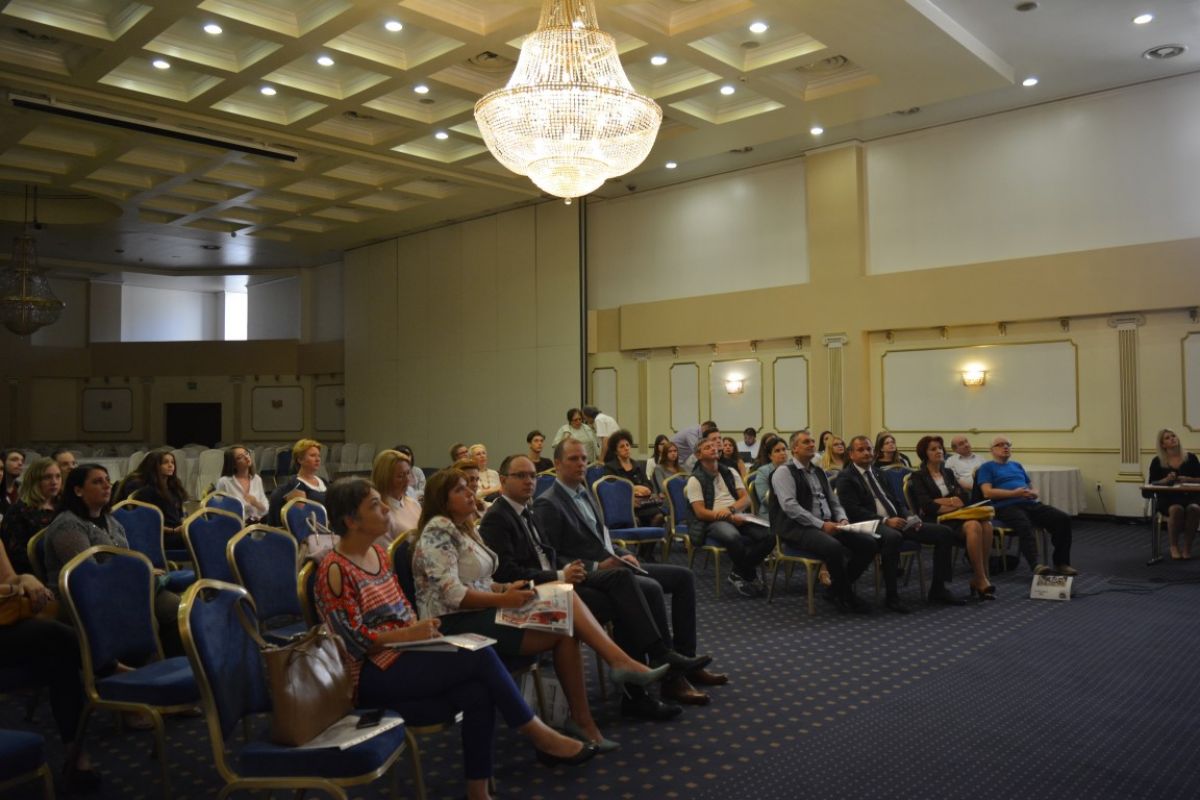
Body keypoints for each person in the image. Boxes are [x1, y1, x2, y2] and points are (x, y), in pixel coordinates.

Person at [315, 479, 596, 800]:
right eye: (374, 506)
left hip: (405, 652)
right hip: (369, 673)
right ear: (351, 521)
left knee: (477, 691)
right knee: (478, 654)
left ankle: (478, 791)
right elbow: (350, 643)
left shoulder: (378, 554)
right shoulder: (334, 570)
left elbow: (402, 609)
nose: (385, 511)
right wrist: (407, 634)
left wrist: (420, 632)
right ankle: (539, 735)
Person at [412, 467, 668, 750]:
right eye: (460, 490)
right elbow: (453, 595)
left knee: (565, 615)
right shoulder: (438, 530)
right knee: (567, 608)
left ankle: (585, 719)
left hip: (482, 608)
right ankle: (615, 669)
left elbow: (481, 580)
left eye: (468, 487)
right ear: (443, 500)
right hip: (453, 623)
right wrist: (503, 599)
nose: (470, 493)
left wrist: (503, 589)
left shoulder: (463, 528)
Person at [480, 455, 696, 722]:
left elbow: (563, 549)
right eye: (521, 476)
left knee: (623, 582)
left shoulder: (528, 510)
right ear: (502, 481)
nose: (529, 481)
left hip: (560, 580)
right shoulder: (499, 517)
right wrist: (562, 574)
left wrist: (580, 568)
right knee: (625, 599)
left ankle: (651, 670)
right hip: (535, 593)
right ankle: (641, 685)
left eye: (532, 476)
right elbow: (508, 574)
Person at [535, 438, 726, 707]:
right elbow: (553, 556)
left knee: (683, 578)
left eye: (584, 459)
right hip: (588, 576)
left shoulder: (584, 491)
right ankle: (670, 675)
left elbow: (601, 538)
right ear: (557, 464)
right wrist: (597, 566)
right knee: (650, 588)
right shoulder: (548, 503)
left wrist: (620, 553)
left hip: (613, 564)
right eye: (573, 459)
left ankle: (685, 662)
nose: (581, 464)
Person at [43, 464, 183, 657]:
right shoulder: (68, 525)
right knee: (145, 617)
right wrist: (137, 576)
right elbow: (88, 576)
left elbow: (125, 558)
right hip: (82, 598)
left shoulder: (110, 520)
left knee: (176, 607)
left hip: (121, 588)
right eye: (97, 482)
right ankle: (144, 669)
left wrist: (142, 572)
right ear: (78, 490)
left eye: (107, 480)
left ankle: (176, 665)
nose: (107, 486)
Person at [0, 537, 101, 793]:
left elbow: (10, 578)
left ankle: (75, 755)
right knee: (57, 636)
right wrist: (10, 590)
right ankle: (107, 668)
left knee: (59, 656)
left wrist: (25, 579)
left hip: (5, 622)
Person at [769, 430, 877, 614]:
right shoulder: (783, 472)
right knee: (833, 547)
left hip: (827, 524)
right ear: (794, 448)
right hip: (798, 528)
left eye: (812, 441)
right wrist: (821, 525)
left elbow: (833, 501)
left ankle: (835, 590)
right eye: (806, 442)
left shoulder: (818, 471)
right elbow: (790, 507)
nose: (812, 444)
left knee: (869, 544)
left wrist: (842, 518)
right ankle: (846, 595)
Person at [910, 435, 995, 599]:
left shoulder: (948, 473)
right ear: (924, 454)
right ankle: (980, 579)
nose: (939, 451)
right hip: (935, 521)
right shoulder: (918, 476)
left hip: (956, 517)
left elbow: (963, 498)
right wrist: (950, 501)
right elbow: (927, 505)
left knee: (986, 525)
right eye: (933, 449)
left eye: (940, 448)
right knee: (974, 525)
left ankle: (981, 576)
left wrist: (942, 501)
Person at [686, 438, 773, 597]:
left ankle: (738, 573)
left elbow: (746, 499)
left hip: (736, 513)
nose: (714, 448)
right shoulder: (695, 479)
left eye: (714, 446)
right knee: (733, 537)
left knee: (769, 535)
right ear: (698, 455)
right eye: (708, 447)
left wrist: (731, 510)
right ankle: (749, 574)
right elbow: (700, 512)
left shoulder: (730, 472)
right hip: (713, 520)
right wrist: (728, 517)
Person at [977, 436, 1076, 575]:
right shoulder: (986, 467)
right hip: (1005, 506)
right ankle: (1036, 565)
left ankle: (1061, 563)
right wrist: (1014, 493)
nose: (1005, 447)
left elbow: (1030, 487)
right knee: (1024, 524)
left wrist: (1034, 493)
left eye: (1008, 444)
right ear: (992, 450)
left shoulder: (1016, 465)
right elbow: (987, 492)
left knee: (1062, 519)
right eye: (1000, 445)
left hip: (1029, 503)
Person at [0, 457, 61, 574]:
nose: (54, 482)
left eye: (58, 476)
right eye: (47, 477)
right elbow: (16, 555)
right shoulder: (19, 511)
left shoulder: (63, 506)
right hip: (34, 573)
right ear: (34, 481)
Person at [1147, 428, 1200, 559]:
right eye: (1167, 438)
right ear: (1163, 444)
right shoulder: (1157, 461)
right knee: (1176, 509)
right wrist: (1165, 480)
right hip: (1168, 498)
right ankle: (1174, 546)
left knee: (1194, 509)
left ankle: (1187, 547)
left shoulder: (1191, 458)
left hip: (1190, 496)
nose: (1172, 439)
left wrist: (1188, 479)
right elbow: (1152, 483)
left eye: (1173, 436)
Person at [602, 430, 665, 528]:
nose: (626, 448)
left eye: (627, 445)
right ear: (615, 451)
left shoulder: (637, 465)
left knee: (660, 515)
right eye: (622, 446)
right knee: (637, 519)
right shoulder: (610, 468)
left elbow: (648, 485)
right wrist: (635, 489)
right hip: (624, 505)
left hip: (643, 504)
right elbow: (612, 491)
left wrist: (644, 490)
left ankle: (648, 537)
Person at [130, 450, 188, 547]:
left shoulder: (173, 489)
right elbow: (146, 523)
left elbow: (180, 516)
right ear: (156, 466)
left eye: (172, 462)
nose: (170, 465)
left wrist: (185, 525)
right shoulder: (147, 492)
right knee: (200, 538)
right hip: (162, 536)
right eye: (165, 462)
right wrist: (173, 530)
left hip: (177, 532)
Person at [267, 438, 327, 527]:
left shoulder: (323, 481)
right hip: (313, 530)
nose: (317, 459)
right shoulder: (295, 484)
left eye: (319, 456)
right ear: (300, 460)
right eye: (312, 455)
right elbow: (300, 521)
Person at [371, 449, 421, 545]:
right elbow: (385, 551)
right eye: (400, 476)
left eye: (408, 473)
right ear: (385, 478)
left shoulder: (414, 504)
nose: (407, 480)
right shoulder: (380, 513)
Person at [214, 444, 268, 522]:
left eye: (246, 453)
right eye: (240, 457)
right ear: (233, 464)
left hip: (256, 524)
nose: (246, 457)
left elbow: (265, 509)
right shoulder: (224, 482)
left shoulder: (257, 479)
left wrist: (256, 503)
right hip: (234, 524)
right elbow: (217, 509)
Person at [752, 434, 788, 520]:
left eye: (784, 449)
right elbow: (765, 499)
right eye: (777, 451)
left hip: (792, 510)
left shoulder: (793, 468)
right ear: (770, 456)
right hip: (771, 512)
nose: (782, 453)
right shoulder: (763, 471)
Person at [1, 447, 24, 517]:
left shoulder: (23, 490)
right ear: (2, 462)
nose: (20, 463)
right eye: (14, 460)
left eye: (22, 461)